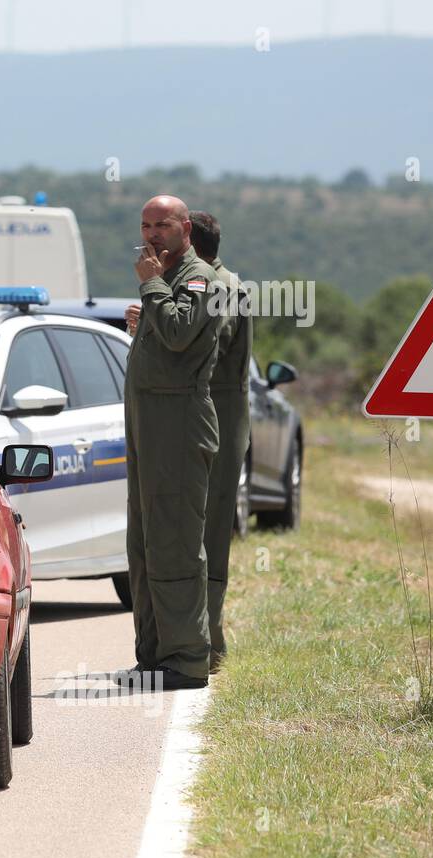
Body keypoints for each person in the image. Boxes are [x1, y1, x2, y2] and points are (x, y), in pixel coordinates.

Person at [117, 196, 221, 692]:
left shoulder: (201, 277)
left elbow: (181, 333)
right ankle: (156, 655)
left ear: (185, 229)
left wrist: (151, 285)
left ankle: (187, 658)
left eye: (162, 225)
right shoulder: (169, 281)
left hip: (178, 424)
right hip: (149, 423)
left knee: (176, 539)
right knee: (145, 541)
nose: (152, 233)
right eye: (145, 225)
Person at [190, 211, 252, 673]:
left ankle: (209, 640)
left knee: (208, 533)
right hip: (208, 423)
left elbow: (208, 348)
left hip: (215, 424)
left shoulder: (222, 287)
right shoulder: (208, 283)